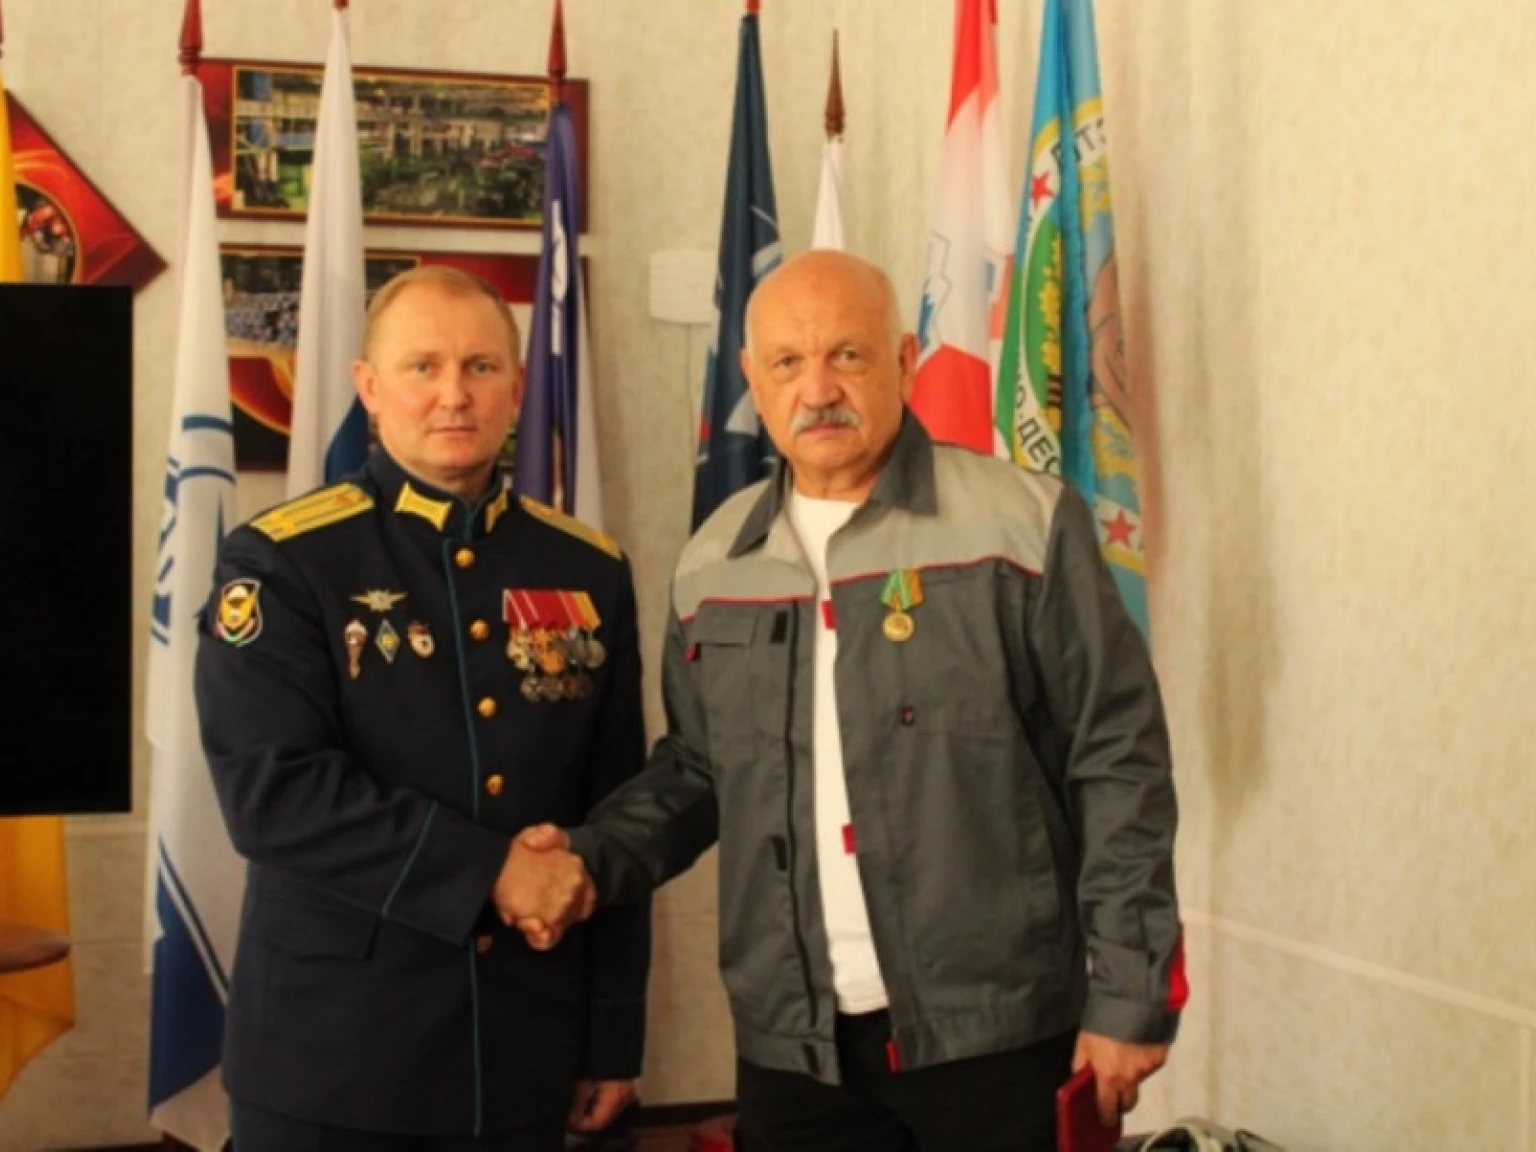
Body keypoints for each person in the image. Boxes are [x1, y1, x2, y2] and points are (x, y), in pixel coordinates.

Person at [521, 251, 1185, 1151]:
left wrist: (1130, 993)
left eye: (848, 355)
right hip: (794, 1049)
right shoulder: (715, 558)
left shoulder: (1024, 524)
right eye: (787, 363)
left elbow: (1117, 758)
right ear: (752, 378)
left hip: (1000, 1036)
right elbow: (699, 770)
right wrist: (587, 860)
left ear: (905, 360)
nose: (818, 389)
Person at [195, 265, 648, 1151]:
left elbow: (616, 809)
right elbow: (272, 794)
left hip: (523, 1047)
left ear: (518, 387)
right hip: (333, 1060)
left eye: (480, 367)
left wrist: (612, 1035)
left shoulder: (588, 569)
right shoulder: (282, 562)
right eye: (422, 367)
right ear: (369, 387)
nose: (454, 394)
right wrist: (492, 871)